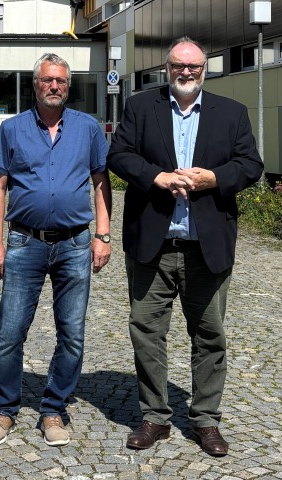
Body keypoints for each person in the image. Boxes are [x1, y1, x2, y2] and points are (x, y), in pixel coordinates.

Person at [107, 37, 262, 457]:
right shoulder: (141, 107)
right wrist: (156, 177)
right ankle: (155, 417)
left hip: (205, 245)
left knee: (210, 336)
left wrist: (214, 178)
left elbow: (251, 165)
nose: (186, 72)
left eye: (193, 66)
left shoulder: (231, 112)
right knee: (146, 332)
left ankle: (206, 421)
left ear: (204, 69)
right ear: (167, 67)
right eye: (179, 65)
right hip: (152, 245)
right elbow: (118, 155)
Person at [0, 53, 112, 448]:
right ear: (35, 84)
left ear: (68, 86)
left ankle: (53, 409)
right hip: (25, 242)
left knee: (72, 334)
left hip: (75, 243)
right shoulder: (12, 129)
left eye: (61, 81)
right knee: (10, 333)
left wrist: (103, 235)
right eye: (47, 80)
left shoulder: (88, 129)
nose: (54, 86)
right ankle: (5, 410)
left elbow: (101, 183)